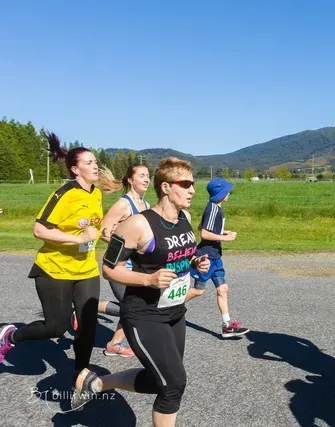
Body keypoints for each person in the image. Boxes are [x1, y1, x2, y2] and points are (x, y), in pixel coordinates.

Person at [71, 157, 209, 427]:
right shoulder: (137, 224)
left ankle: (95, 383)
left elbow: (177, 256)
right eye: (186, 184)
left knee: (160, 379)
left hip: (174, 312)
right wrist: (148, 279)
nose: (192, 189)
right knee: (173, 385)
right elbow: (110, 269)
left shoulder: (185, 219)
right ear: (166, 187)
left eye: (193, 184)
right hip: (143, 314)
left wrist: (194, 262)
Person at [0, 132, 102, 387]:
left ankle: (81, 377)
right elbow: (39, 230)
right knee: (55, 328)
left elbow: (94, 228)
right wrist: (77, 239)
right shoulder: (64, 193)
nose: (95, 166)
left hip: (86, 270)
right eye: (88, 163)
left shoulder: (96, 195)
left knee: (88, 328)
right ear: (75, 169)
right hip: (54, 269)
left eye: (95, 161)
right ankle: (11, 336)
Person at [96, 164, 151, 357]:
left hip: (136, 267)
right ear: (130, 180)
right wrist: (128, 245)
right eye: (142, 176)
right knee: (131, 308)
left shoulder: (146, 205)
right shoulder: (124, 204)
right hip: (118, 265)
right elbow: (103, 231)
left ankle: (85, 309)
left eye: (148, 176)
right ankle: (113, 343)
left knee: (131, 307)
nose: (146, 179)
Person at [186, 176, 249, 338]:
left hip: (216, 257)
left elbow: (202, 225)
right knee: (198, 291)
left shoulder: (215, 208)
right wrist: (226, 238)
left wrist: (223, 232)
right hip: (206, 257)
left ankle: (227, 326)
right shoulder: (213, 208)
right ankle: (164, 308)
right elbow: (204, 232)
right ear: (220, 193)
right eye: (227, 191)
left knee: (223, 288)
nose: (229, 194)